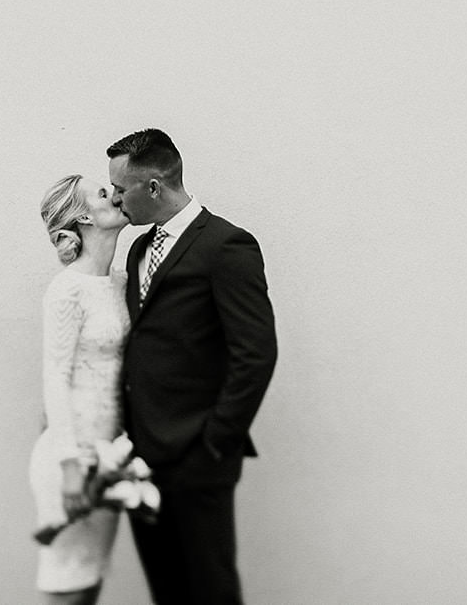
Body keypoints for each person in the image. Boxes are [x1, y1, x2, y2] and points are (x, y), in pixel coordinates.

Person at [108, 129, 277, 605]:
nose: (116, 200)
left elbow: (256, 352)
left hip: (198, 458)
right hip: (143, 458)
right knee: (168, 590)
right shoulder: (140, 249)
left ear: (155, 187)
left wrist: (215, 442)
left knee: (210, 588)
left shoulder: (227, 246)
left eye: (122, 189)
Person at [29, 174, 131, 605]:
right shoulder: (67, 289)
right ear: (85, 217)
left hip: (109, 454)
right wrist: (70, 465)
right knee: (67, 585)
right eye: (106, 193)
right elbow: (55, 376)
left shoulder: (120, 283)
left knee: (88, 586)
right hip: (72, 458)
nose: (118, 196)